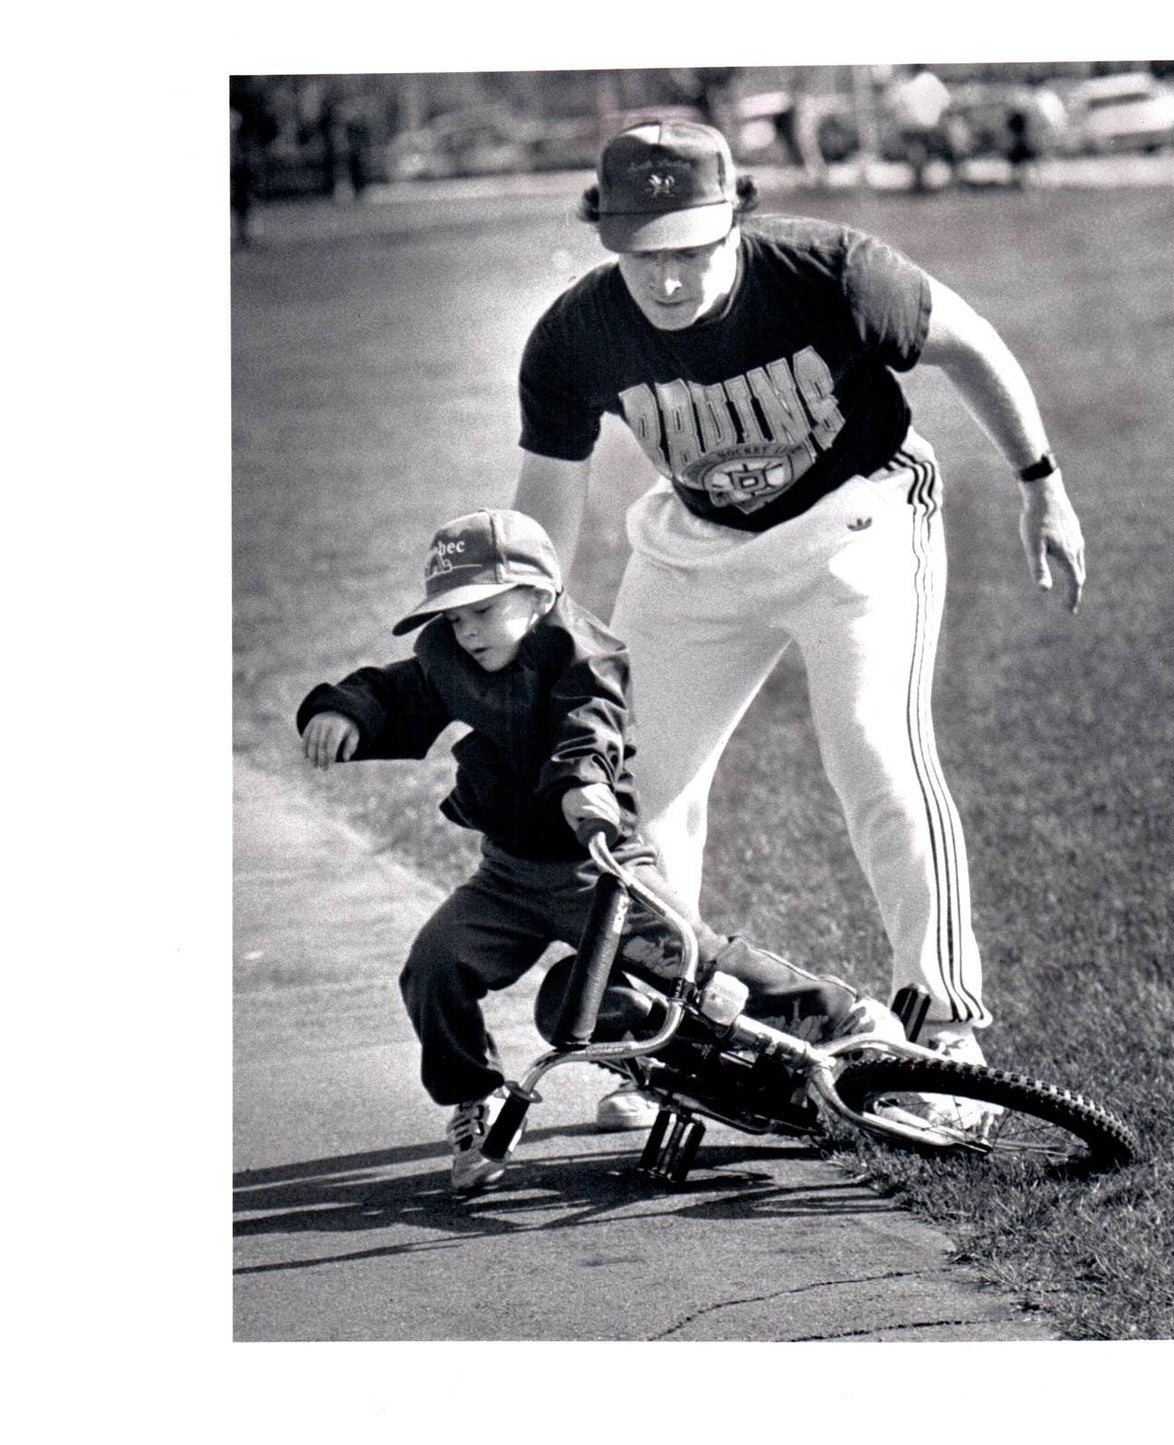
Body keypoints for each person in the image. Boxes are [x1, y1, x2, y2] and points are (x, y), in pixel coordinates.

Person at [510, 121, 1087, 1081]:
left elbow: (967, 341)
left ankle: (943, 1025)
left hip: (855, 516)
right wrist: (531, 631)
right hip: (696, 543)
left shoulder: (834, 271)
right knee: (635, 780)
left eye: (692, 247)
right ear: (607, 234)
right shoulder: (575, 333)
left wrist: (1041, 480)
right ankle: (665, 1029)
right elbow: (546, 493)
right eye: (643, 252)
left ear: (735, 216)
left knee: (874, 747)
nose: (667, 278)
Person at [297, 509, 883, 1196]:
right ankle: (474, 1097)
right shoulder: (450, 660)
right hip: (507, 875)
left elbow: (589, 730)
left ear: (539, 594)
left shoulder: (584, 653)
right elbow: (395, 690)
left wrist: (584, 792)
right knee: (434, 963)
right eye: (455, 618)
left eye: (483, 610)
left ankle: (841, 1012)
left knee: (690, 957)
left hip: (595, 865)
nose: (468, 631)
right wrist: (342, 711)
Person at [884, 65, 960, 191]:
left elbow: (890, 107)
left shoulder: (902, 83)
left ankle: (919, 180)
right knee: (944, 144)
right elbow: (948, 103)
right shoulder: (931, 80)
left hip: (911, 128)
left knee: (917, 146)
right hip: (930, 127)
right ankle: (955, 178)